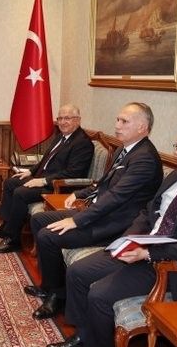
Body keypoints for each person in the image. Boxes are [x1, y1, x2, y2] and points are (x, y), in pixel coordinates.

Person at [47, 121, 177, 347]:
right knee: (78, 272)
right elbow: (147, 213)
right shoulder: (176, 176)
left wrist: (147, 253)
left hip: (170, 266)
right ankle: (84, 335)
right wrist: (130, 239)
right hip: (142, 248)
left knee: (99, 295)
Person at [27, 102, 163, 320]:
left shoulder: (144, 158)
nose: (117, 125)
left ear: (142, 127)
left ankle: (57, 297)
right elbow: (103, 183)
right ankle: (49, 285)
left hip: (113, 224)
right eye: (117, 120)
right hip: (97, 212)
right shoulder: (124, 149)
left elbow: (116, 197)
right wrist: (79, 194)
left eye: (124, 121)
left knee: (47, 236)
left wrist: (77, 220)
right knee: (40, 220)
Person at [0, 104, 94, 254]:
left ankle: (13, 239)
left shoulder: (82, 143)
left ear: (78, 120)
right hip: (44, 179)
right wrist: (29, 171)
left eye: (67, 118)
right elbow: (45, 160)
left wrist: (43, 181)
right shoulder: (61, 137)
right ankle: (6, 227)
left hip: (58, 187)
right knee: (10, 182)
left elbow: (73, 173)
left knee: (21, 193)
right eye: (60, 118)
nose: (62, 122)